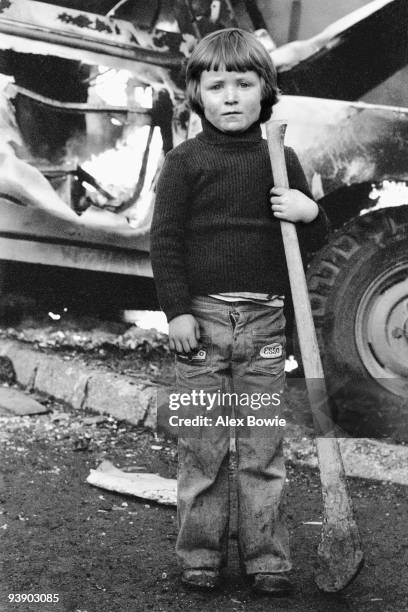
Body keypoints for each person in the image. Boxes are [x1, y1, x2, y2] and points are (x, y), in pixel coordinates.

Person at [150, 28, 329, 596]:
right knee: (203, 445)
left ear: (264, 91)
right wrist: (177, 312)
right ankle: (200, 554)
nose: (230, 96)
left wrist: (307, 212)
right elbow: (165, 242)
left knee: (262, 447)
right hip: (201, 324)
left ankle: (266, 557)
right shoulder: (185, 163)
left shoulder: (282, 159)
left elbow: (315, 242)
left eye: (243, 84)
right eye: (217, 84)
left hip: (265, 324)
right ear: (196, 94)